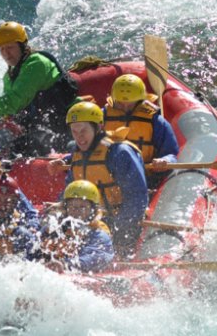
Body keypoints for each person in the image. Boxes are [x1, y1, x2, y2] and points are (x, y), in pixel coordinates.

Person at [48, 101, 148, 258]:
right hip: (92, 221)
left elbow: (137, 198)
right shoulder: (77, 155)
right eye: (74, 132)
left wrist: (119, 230)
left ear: (99, 127)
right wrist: (58, 208)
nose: (79, 137)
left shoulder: (119, 153)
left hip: (123, 222)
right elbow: (70, 192)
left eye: (83, 131)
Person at [0, 21, 78, 157]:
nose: (6, 54)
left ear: (22, 45)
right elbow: (6, 108)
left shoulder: (36, 64)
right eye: (2, 49)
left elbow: (13, 102)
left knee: (17, 151)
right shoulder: (10, 75)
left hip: (64, 123)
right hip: (41, 124)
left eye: (10, 47)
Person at [104, 74, 179, 188]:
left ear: (140, 101)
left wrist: (165, 160)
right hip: (108, 176)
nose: (125, 108)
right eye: (120, 103)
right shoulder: (102, 116)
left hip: (144, 177)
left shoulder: (157, 122)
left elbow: (172, 154)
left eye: (129, 104)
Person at [39, 180, 114, 273]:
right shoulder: (54, 228)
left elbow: (97, 257)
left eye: (83, 207)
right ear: (66, 208)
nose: (77, 211)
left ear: (93, 210)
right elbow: (35, 248)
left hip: (79, 274)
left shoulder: (99, 233)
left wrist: (65, 264)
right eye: (72, 206)